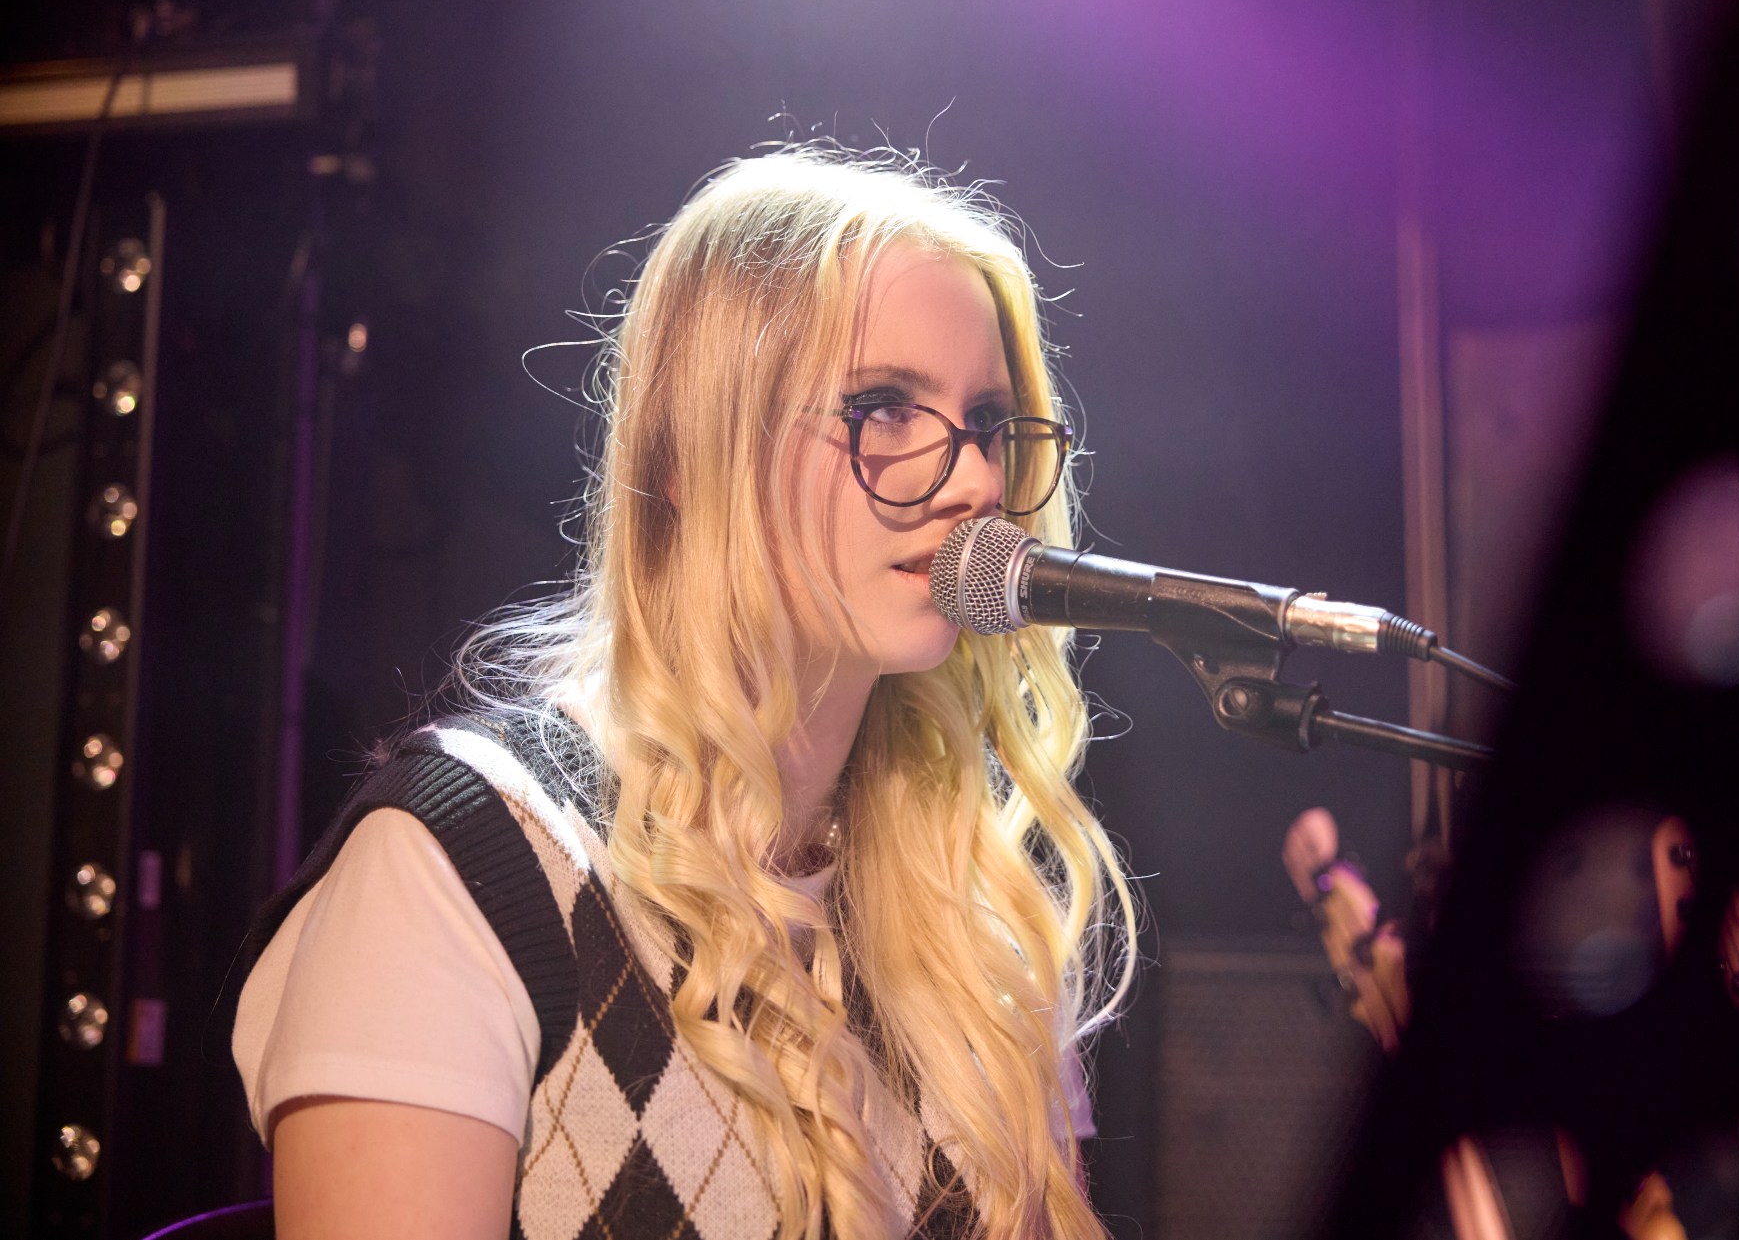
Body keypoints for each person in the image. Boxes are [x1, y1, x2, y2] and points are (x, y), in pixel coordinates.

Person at [230, 146, 1138, 1240]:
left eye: (987, 422)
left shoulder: (969, 915)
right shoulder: (460, 869)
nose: (980, 479)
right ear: (701, 447)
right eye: (885, 407)